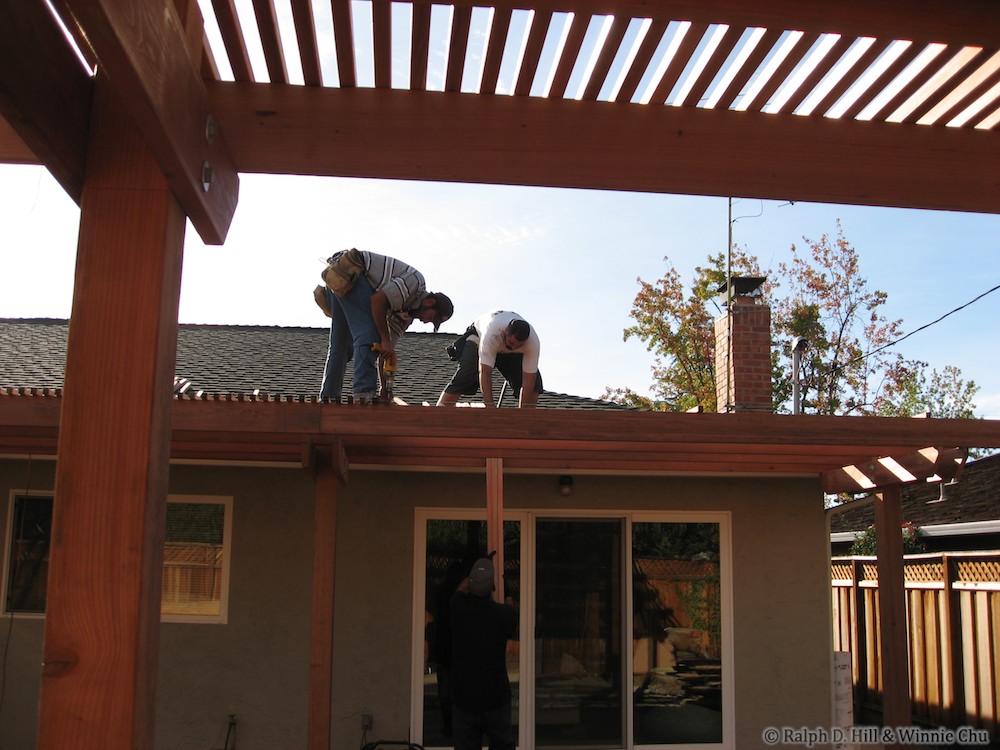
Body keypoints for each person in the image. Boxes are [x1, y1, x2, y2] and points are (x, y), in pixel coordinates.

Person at [319, 249, 453, 402]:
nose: (427, 321)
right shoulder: (415, 283)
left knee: (341, 346)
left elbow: (385, 350)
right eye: (431, 317)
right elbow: (377, 301)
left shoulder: (405, 316)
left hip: (339, 276)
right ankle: (364, 395)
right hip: (351, 270)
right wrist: (384, 339)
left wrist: (385, 387)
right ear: (429, 302)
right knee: (369, 337)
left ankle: (328, 397)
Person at [449, 556, 518, 750]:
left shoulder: (458, 608)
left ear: (470, 584)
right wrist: (506, 589)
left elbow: (460, 590)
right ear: (492, 587)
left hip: (465, 699)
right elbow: (511, 608)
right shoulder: (504, 615)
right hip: (495, 698)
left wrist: (473, 576)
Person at [437, 310, 542, 408]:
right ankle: (441, 409)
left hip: (506, 349)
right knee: (467, 372)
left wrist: (524, 412)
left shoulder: (532, 343)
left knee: (535, 384)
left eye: (518, 346)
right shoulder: (492, 333)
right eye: (511, 343)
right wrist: (490, 408)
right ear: (506, 330)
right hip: (478, 337)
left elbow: (529, 379)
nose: (513, 347)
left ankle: (527, 417)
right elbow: (485, 373)